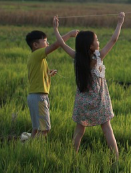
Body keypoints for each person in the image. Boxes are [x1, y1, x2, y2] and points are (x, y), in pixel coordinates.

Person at [53, 13, 125, 156]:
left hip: (83, 101)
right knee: (107, 129)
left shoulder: (77, 57)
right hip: (99, 100)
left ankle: (73, 155)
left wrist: (56, 29)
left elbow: (62, 44)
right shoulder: (98, 57)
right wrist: (120, 22)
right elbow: (114, 39)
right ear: (91, 46)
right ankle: (116, 158)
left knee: (79, 130)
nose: (99, 41)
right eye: (97, 40)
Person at [22, 17, 79, 141]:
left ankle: (29, 146)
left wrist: (48, 74)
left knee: (36, 128)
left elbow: (36, 74)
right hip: (39, 97)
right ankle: (37, 150)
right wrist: (68, 34)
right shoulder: (37, 54)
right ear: (35, 45)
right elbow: (56, 45)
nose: (47, 43)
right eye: (45, 41)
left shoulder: (35, 57)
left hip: (34, 96)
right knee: (44, 129)